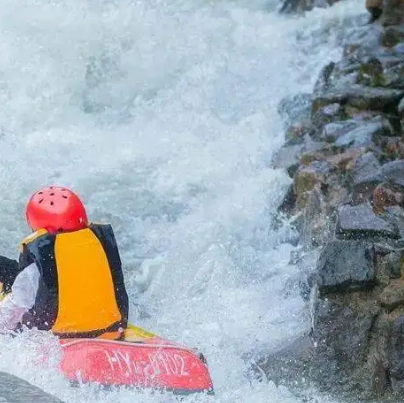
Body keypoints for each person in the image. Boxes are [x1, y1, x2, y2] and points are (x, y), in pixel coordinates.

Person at [0, 186, 129, 340]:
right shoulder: (98, 243)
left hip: (58, 337)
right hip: (110, 330)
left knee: (17, 284)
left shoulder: (38, 263)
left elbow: (15, 306)